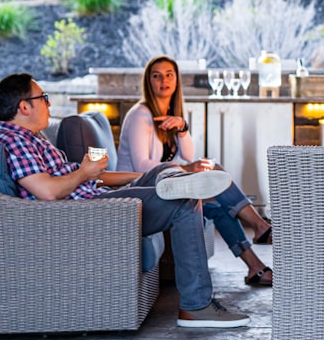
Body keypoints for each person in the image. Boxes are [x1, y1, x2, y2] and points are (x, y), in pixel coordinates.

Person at [0, 72, 250, 329]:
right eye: (43, 97)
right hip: (90, 214)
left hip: (95, 199)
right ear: (24, 106)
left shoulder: (33, 138)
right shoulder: (14, 141)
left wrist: (144, 177)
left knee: (163, 173)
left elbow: (87, 178)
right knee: (185, 202)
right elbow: (47, 191)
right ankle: (196, 307)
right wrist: (84, 172)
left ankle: (172, 178)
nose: (48, 103)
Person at [117, 56, 274, 287]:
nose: (164, 80)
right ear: (148, 81)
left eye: (169, 74)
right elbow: (142, 166)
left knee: (217, 200)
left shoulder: (169, 113)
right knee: (216, 175)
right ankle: (260, 226)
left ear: (177, 79)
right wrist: (186, 169)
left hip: (165, 184)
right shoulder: (141, 115)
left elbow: (188, 154)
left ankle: (255, 267)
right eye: (156, 75)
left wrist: (182, 128)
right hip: (141, 189)